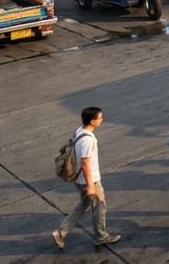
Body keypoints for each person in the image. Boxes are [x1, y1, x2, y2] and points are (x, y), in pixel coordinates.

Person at [52, 106, 120, 250]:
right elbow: (85, 162)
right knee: (100, 207)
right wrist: (90, 185)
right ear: (92, 121)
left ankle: (60, 233)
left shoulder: (80, 131)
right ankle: (101, 236)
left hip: (79, 179)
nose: (102, 120)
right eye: (100, 118)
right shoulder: (88, 141)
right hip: (90, 180)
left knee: (83, 206)